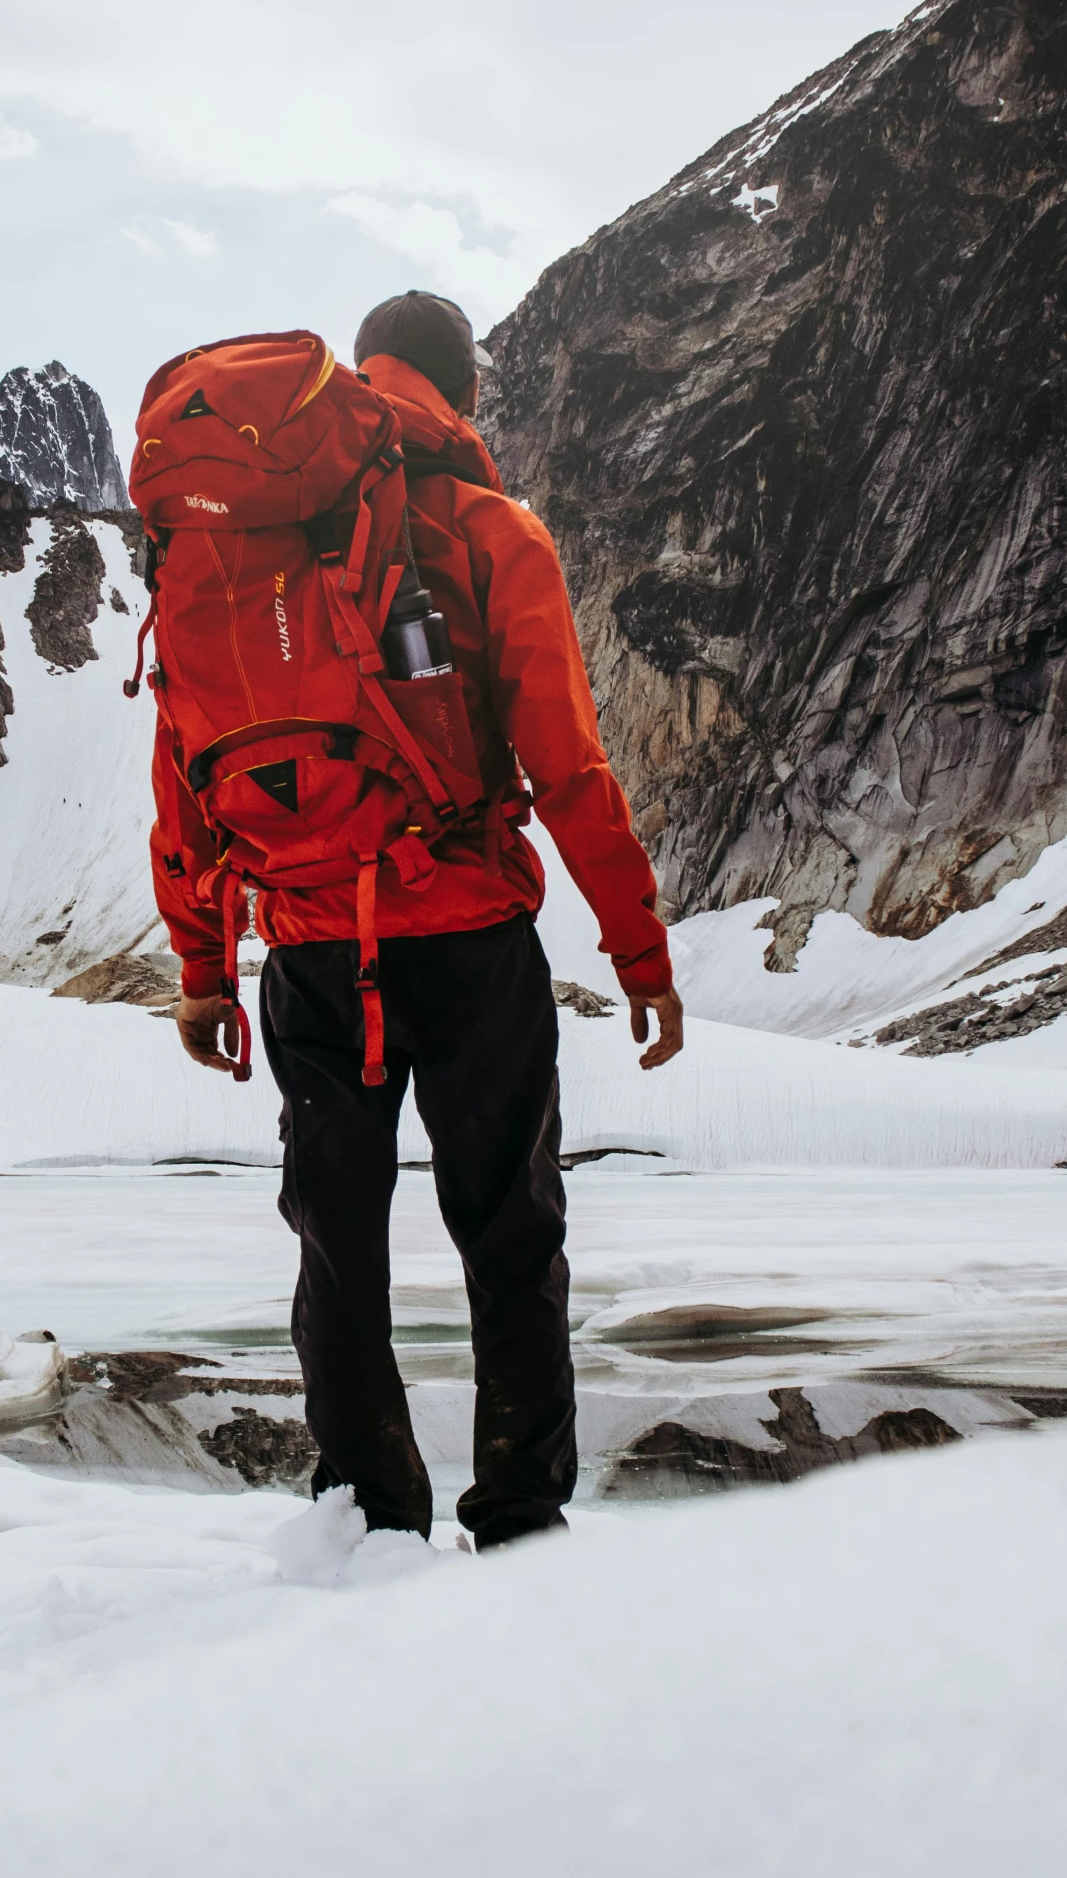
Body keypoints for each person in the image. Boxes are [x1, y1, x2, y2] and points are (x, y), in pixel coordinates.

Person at [152, 290, 683, 1550]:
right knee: (509, 1235)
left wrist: (203, 968)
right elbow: (569, 770)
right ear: (467, 391)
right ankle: (516, 1520)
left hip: (308, 949)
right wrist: (639, 948)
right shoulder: (488, 528)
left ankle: (367, 1522)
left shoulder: (229, 543)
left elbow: (183, 768)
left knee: (336, 1247)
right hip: (468, 941)